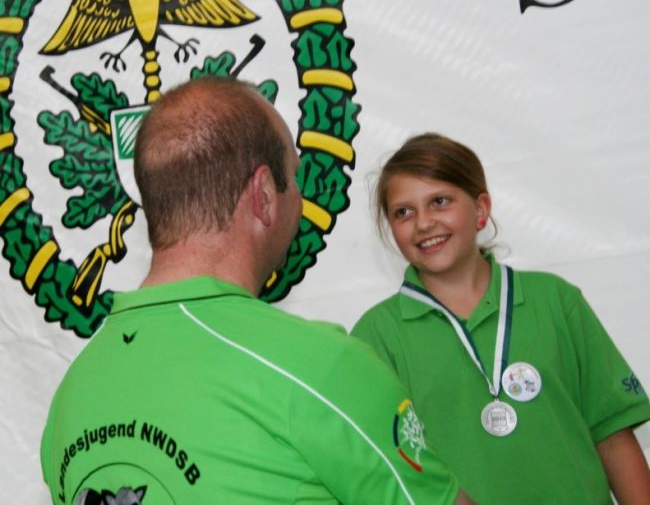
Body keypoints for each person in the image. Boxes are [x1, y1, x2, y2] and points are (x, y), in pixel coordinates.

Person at [40, 78, 472, 504]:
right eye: (294, 177)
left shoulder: (70, 397)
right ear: (264, 195)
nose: (299, 198)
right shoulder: (320, 368)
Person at [351, 132, 650, 504]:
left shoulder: (556, 301)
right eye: (403, 212)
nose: (423, 223)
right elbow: (381, 470)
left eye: (439, 201)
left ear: (480, 210)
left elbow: (613, 437)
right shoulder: (375, 337)